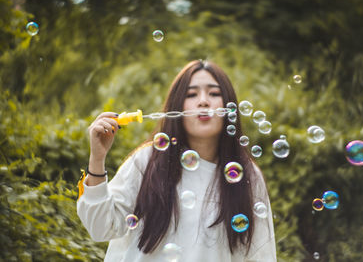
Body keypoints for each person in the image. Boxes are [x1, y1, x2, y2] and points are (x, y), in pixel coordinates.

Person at [77, 60, 276, 261]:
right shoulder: (147, 162)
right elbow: (100, 227)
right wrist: (97, 159)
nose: (203, 101)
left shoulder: (248, 175)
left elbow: (261, 255)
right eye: (191, 94)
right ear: (177, 105)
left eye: (214, 94)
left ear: (229, 106)